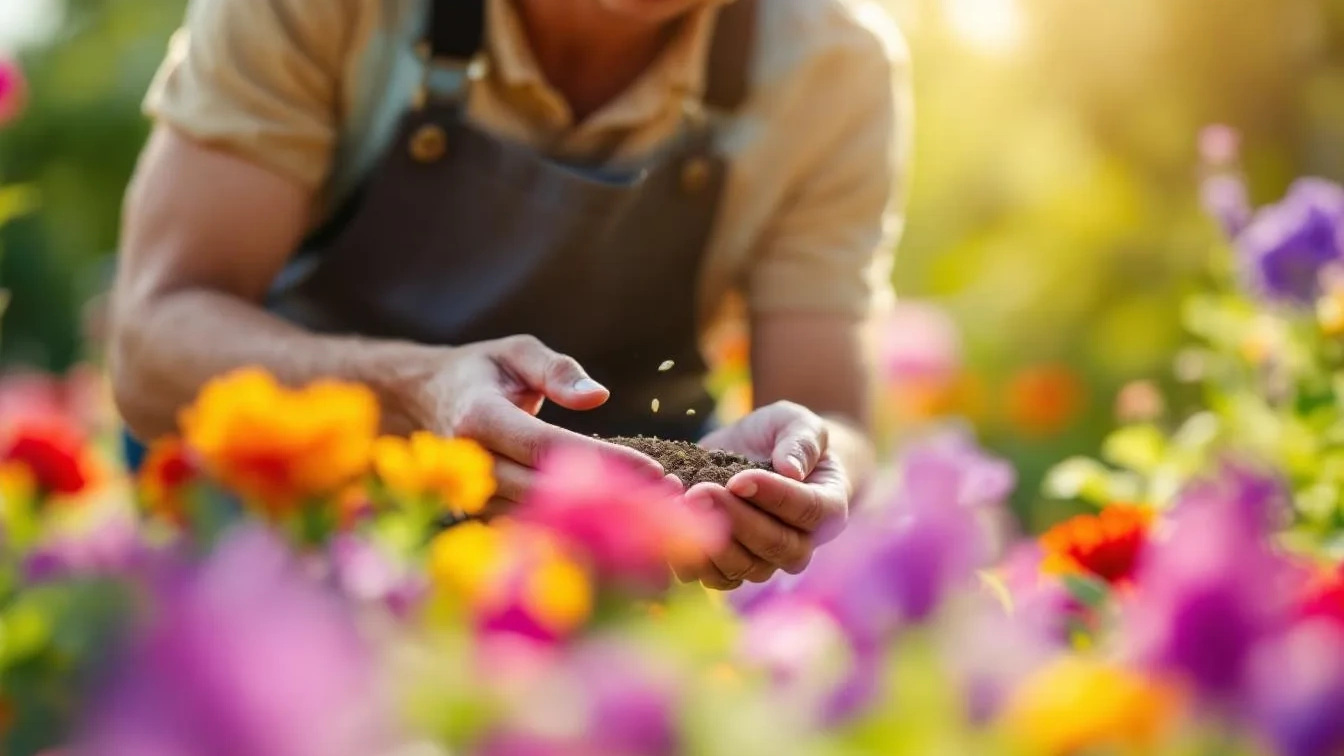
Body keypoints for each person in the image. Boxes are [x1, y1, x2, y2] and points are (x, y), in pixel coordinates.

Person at [109, 0, 911, 590]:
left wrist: (802, 465)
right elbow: (153, 347)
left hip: (602, 569)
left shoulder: (834, 64)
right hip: (292, 529)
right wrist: (417, 389)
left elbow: (828, 411)